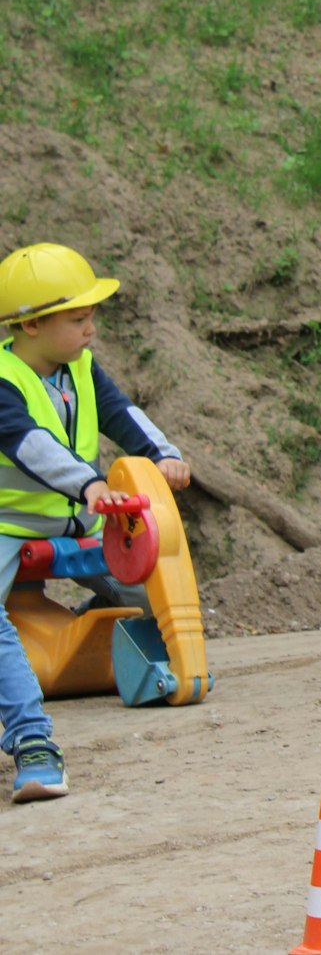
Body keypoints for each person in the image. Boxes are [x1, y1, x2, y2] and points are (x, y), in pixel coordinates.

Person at [0, 244, 192, 801]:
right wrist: (89, 483)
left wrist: (162, 453)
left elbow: (121, 412)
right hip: (9, 525)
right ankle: (34, 745)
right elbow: (29, 444)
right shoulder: (5, 379)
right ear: (31, 324)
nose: (91, 328)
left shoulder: (80, 368)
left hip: (79, 523)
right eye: (78, 318)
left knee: (146, 582)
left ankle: (164, 666)